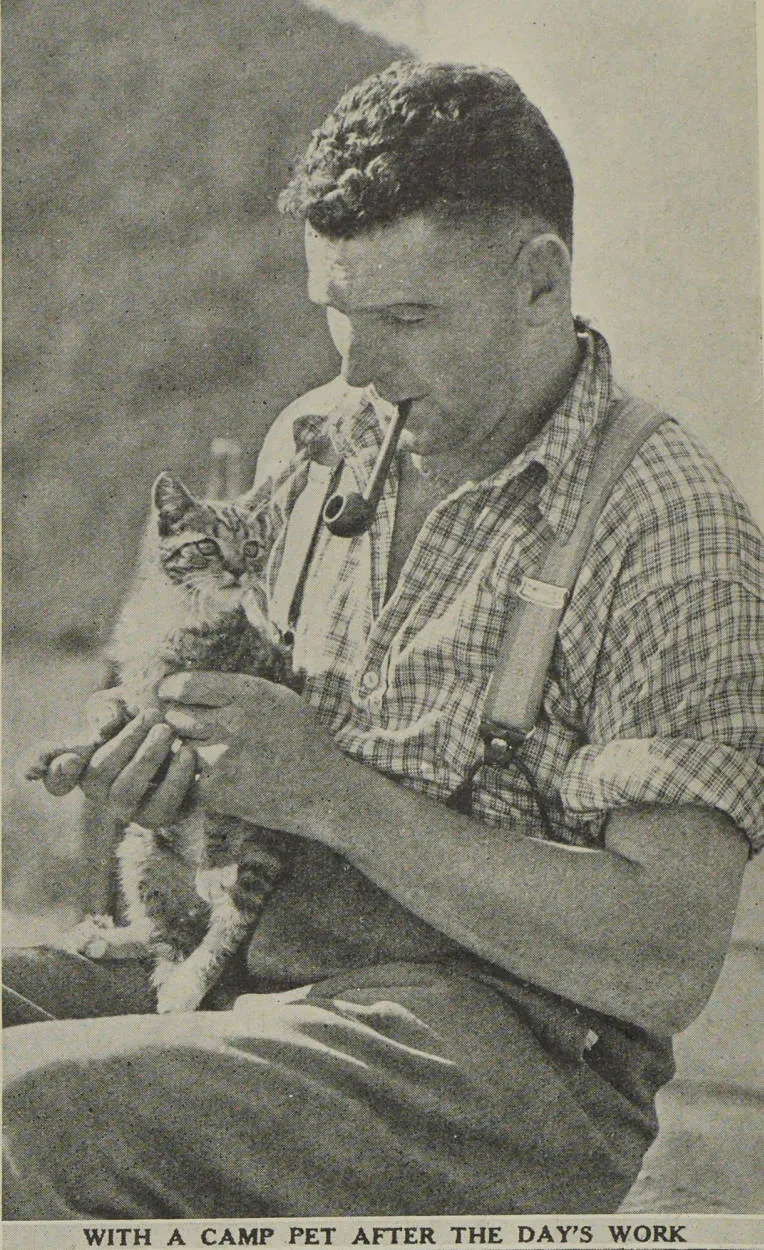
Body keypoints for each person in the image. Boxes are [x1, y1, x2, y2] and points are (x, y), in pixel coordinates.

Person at [3, 60, 762, 1219]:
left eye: (406, 317)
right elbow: (257, 766)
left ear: (538, 281)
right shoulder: (313, 440)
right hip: (260, 963)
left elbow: (662, 954)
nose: (355, 368)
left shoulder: (667, 522)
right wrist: (181, 773)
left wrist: (332, 792)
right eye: (334, 310)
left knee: (22, 1111)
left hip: (503, 1063)